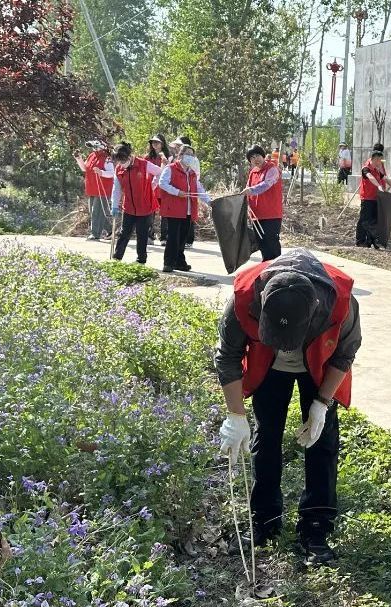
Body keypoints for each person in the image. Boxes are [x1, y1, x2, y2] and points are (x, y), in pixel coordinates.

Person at [214, 248, 362, 566]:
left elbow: (344, 353)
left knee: (322, 442)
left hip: (317, 365)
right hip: (268, 367)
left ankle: (316, 527)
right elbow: (227, 357)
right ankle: (263, 521)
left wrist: (321, 404)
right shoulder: (243, 298)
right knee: (266, 436)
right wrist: (235, 415)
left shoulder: (341, 303)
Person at [157, 144, 210, 272]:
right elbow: (162, 183)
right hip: (174, 209)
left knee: (182, 238)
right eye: (187, 154)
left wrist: (209, 201)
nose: (190, 157)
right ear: (180, 155)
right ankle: (168, 262)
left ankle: (179, 262)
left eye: (192, 155)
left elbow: (199, 189)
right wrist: (177, 192)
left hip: (188, 210)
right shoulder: (171, 168)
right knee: (173, 237)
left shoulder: (192, 173)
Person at [110, 142, 161, 265]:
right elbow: (116, 188)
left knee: (142, 234)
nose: (121, 164)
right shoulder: (119, 169)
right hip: (129, 207)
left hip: (145, 206)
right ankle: (117, 258)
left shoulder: (143, 164)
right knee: (124, 233)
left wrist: (152, 185)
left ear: (129, 157)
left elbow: (160, 172)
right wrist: (114, 205)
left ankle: (141, 260)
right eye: (118, 162)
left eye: (122, 161)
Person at [239, 145, 284, 261]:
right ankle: (266, 268)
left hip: (271, 214)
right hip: (256, 215)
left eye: (258, 155)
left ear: (263, 156)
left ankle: (276, 268)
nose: (256, 159)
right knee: (262, 242)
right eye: (252, 158)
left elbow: (267, 184)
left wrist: (251, 190)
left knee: (271, 242)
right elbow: (248, 188)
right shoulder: (253, 172)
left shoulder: (272, 169)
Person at [356, 149, 391, 249]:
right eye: (378, 160)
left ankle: (372, 241)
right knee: (364, 220)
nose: (379, 162)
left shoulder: (377, 170)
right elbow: (370, 177)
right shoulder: (366, 169)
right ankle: (360, 241)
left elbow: (385, 178)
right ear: (373, 159)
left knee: (374, 220)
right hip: (367, 198)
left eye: (380, 160)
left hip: (375, 198)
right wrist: (378, 186)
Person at [74, 141, 114, 241]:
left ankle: (95, 234)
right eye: (93, 146)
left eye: (95, 146)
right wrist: (78, 158)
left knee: (96, 212)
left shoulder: (107, 158)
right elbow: (85, 168)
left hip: (102, 189)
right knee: (95, 212)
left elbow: (112, 173)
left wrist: (101, 172)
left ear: (102, 146)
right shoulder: (92, 155)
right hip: (92, 188)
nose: (94, 148)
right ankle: (111, 231)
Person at [146, 135, 172, 244]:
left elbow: (172, 170)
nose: (155, 144)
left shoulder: (169, 156)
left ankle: (164, 237)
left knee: (164, 214)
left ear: (162, 143)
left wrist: (166, 161)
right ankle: (149, 236)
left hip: (163, 189)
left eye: (157, 142)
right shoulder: (147, 157)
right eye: (153, 142)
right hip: (151, 187)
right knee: (150, 213)